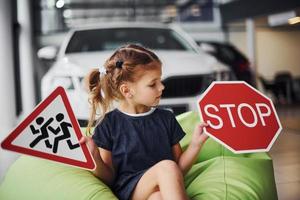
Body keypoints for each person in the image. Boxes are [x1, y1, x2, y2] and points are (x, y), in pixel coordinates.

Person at [80, 44, 208, 200]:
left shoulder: (166, 118)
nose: (161, 87)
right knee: (167, 166)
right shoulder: (109, 124)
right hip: (129, 191)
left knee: (159, 196)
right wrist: (95, 157)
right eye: (153, 84)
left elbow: (178, 169)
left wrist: (195, 144)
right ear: (127, 91)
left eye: (160, 80)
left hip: (158, 189)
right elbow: (109, 178)